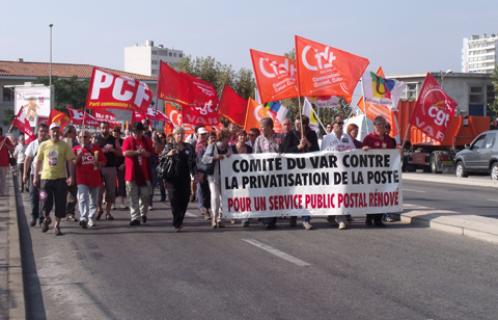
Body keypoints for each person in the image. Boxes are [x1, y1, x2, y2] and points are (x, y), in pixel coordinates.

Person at [33, 123, 75, 236]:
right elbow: (38, 162)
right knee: (45, 202)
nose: (55, 133)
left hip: (61, 179)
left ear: (60, 132)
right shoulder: (43, 145)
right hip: (45, 179)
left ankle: (57, 226)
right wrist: (36, 177)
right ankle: (46, 218)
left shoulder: (65, 145)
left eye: (57, 131)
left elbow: (70, 161)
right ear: (49, 132)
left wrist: (71, 176)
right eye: (53, 131)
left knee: (60, 203)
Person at [321, 118, 356, 230]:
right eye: (338, 123)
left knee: (341, 194)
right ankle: (335, 217)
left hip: (344, 172)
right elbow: (323, 154)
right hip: (332, 173)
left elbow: (354, 152)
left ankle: (340, 218)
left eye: (342, 123)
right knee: (334, 195)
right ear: (333, 125)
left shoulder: (347, 137)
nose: (340, 125)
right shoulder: (327, 138)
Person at [362, 116, 397, 227]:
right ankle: (369, 217)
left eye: (382, 124)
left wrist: (399, 152)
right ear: (374, 126)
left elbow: (394, 155)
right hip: (372, 173)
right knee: (372, 195)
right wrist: (364, 150)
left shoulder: (390, 140)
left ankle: (378, 219)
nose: (380, 127)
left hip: (385, 173)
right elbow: (360, 155)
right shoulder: (369, 138)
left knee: (382, 196)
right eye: (378, 124)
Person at [280, 118, 314, 230]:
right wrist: (298, 147)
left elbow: (317, 150)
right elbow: (285, 151)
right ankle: (293, 216)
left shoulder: (312, 134)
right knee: (295, 195)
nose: (297, 126)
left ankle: (306, 219)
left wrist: (308, 143)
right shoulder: (291, 134)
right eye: (296, 124)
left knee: (307, 194)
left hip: (308, 169)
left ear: (305, 125)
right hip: (293, 170)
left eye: (299, 124)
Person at [161, 127, 195, 231]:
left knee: (184, 199)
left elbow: (193, 161)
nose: (180, 136)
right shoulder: (169, 146)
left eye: (182, 134)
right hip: (172, 178)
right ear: (174, 135)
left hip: (185, 178)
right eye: (178, 134)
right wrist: (168, 154)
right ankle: (177, 222)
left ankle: (180, 219)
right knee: (174, 200)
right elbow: (161, 158)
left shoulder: (188, 147)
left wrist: (195, 174)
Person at [122, 122, 154, 226]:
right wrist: (137, 152)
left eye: (139, 132)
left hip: (144, 173)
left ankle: (142, 213)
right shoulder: (128, 140)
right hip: (131, 173)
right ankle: (135, 217)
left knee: (145, 195)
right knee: (132, 196)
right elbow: (125, 153)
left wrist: (145, 153)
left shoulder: (146, 140)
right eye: (135, 132)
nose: (137, 134)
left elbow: (151, 153)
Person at [73, 131, 106, 229]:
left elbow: (104, 161)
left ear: (89, 138)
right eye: (81, 137)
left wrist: (99, 164)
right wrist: (79, 154)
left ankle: (91, 218)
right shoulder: (75, 149)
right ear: (78, 138)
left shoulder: (95, 148)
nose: (83, 138)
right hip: (82, 178)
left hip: (94, 177)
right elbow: (73, 162)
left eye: (85, 136)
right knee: (82, 197)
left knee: (93, 200)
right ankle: (83, 218)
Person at [254, 117, 282, 229]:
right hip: (264, 173)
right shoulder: (259, 140)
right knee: (265, 196)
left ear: (270, 127)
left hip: (277, 172)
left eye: (263, 127)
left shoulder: (279, 138)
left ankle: (271, 220)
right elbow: (255, 155)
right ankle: (267, 219)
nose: (261, 129)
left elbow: (283, 152)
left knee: (275, 197)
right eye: (260, 127)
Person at [202, 129, 231, 228]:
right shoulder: (212, 146)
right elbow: (204, 159)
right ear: (222, 138)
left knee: (224, 197)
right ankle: (214, 218)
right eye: (227, 137)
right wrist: (215, 157)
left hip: (225, 176)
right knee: (215, 196)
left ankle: (220, 219)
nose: (229, 140)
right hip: (213, 176)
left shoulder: (228, 148)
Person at [24, 124, 49, 226]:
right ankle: (34, 216)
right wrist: (24, 174)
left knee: (43, 197)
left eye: (44, 131)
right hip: (34, 174)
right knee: (33, 197)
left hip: (45, 176)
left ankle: (41, 217)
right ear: (37, 132)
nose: (43, 133)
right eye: (41, 131)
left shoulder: (49, 144)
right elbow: (27, 160)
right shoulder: (32, 144)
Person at [96, 122, 122, 220]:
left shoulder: (114, 139)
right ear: (100, 128)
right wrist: (101, 151)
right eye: (102, 128)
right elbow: (92, 152)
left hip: (110, 167)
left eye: (106, 128)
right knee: (98, 190)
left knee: (110, 191)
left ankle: (108, 212)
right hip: (99, 167)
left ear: (108, 128)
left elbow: (120, 153)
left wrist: (113, 150)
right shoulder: (96, 139)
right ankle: (99, 209)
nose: (104, 130)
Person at [194, 127, 211, 220]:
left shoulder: (208, 144)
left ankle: (207, 208)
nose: (204, 136)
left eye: (205, 134)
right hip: (198, 170)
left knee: (207, 189)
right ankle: (203, 208)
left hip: (208, 170)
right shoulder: (193, 144)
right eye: (202, 134)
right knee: (200, 188)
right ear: (197, 134)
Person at [63, 125, 79, 222]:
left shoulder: (76, 143)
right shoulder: (61, 143)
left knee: (73, 193)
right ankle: (63, 212)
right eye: (73, 132)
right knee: (62, 194)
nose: (75, 134)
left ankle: (70, 213)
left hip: (73, 171)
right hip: (62, 172)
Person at [112, 127, 127, 209]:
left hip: (121, 166)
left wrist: (124, 164)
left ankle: (122, 203)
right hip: (111, 165)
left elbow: (125, 154)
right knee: (112, 185)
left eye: (117, 132)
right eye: (114, 131)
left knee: (121, 184)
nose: (116, 133)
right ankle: (112, 203)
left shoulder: (123, 141)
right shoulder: (110, 141)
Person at [0, 127, 15, 196]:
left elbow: (12, 148)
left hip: (4, 162)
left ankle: (2, 193)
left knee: (3, 179)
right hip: (3, 163)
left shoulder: (5, 139)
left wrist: (6, 145)